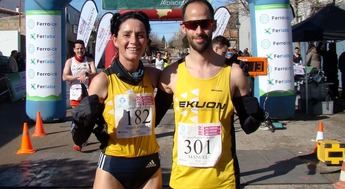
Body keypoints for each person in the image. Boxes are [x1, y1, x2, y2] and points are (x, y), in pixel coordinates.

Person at [158, 0, 264, 188]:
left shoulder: (233, 74)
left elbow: (249, 126)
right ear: (184, 28)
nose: (199, 31)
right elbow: (148, 122)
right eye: (192, 25)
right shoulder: (171, 75)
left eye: (204, 24)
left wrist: (256, 114)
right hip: (182, 181)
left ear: (213, 25)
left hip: (223, 182)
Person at [74, 11, 162, 189]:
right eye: (127, 35)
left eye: (140, 35)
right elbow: (80, 134)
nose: (134, 41)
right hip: (113, 167)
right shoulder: (102, 81)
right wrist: (84, 122)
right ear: (115, 39)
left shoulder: (154, 76)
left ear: (146, 40)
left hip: (149, 165)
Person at [62, 40, 97, 151]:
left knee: (87, 118)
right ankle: (78, 141)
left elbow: (95, 73)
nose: (80, 50)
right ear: (74, 50)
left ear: (84, 49)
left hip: (88, 92)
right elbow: (65, 76)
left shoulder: (89, 61)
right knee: (77, 118)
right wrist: (77, 77)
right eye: (77, 48)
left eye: (81, 48)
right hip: (75, 93)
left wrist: (87, 74)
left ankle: (83, 138)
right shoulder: (69, 61)